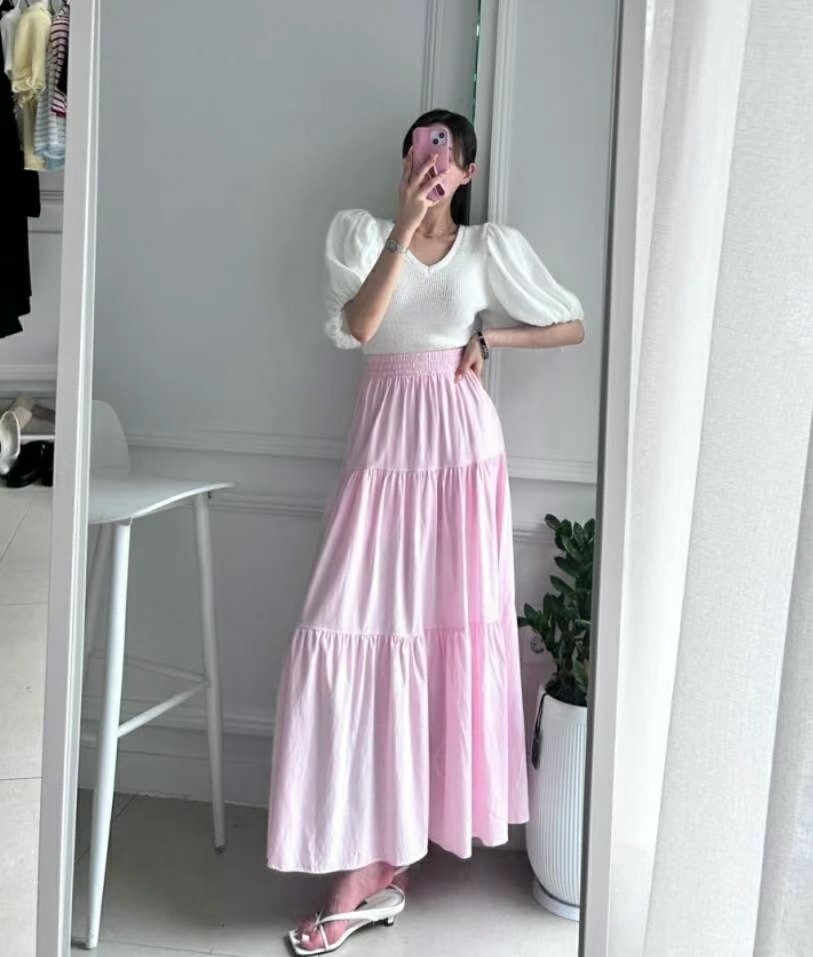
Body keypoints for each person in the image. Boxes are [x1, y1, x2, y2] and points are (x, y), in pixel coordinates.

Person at [266, 108, 585, 954]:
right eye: (419, 149)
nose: (430, 163)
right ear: (405, 160)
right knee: (348, 628)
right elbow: (361, 328)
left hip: (459, 454)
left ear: (466, 172)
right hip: (382, 457)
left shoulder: (486, 248)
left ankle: (386, 862)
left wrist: (488, 335)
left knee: (441, 637)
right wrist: (404, 228)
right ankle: (367, 856)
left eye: (445, 156)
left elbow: (571, 322)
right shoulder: (362, 234)